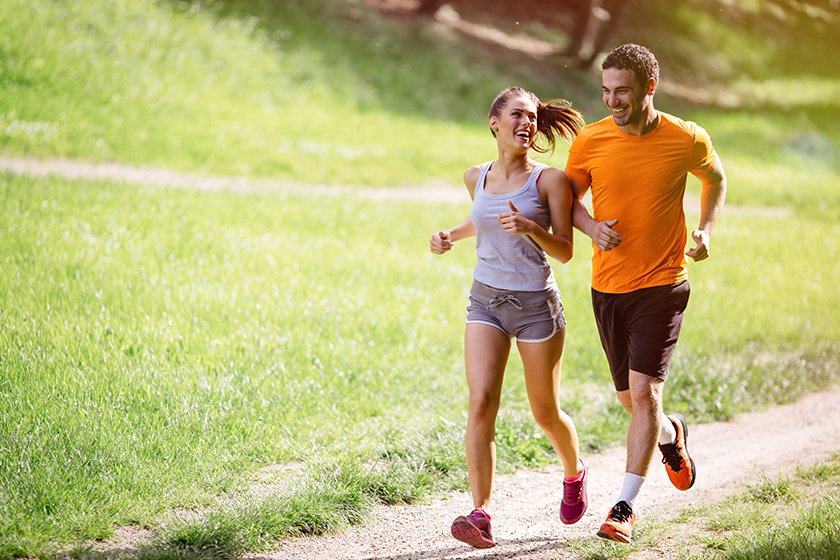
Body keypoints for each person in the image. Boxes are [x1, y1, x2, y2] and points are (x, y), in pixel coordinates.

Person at [564, 43, 727, 544]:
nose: (613, 101)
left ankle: (624, 507)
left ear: (649, 87)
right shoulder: (590, 141)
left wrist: (706, 231)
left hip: (663, 283)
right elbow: (566, 201)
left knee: (643, 392)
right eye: (607, 91)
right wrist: (591, 226)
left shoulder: (685, 137)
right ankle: (671, 436)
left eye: (624, 92)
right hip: (608, 285)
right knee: (629, 401)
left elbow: (715, 179)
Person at [429, 86, 587, 549]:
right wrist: (450, 236)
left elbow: (566, 250)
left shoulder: (549, 181)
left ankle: (574, 472)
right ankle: (481, 513)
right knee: (480, 403)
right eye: (518, 114)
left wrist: (532, 228)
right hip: (486, 301)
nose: (528, 123)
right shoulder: (474, 176)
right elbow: (482, 218)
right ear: (494, 122)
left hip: (537, 307)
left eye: (533, 117)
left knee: (545, 412)